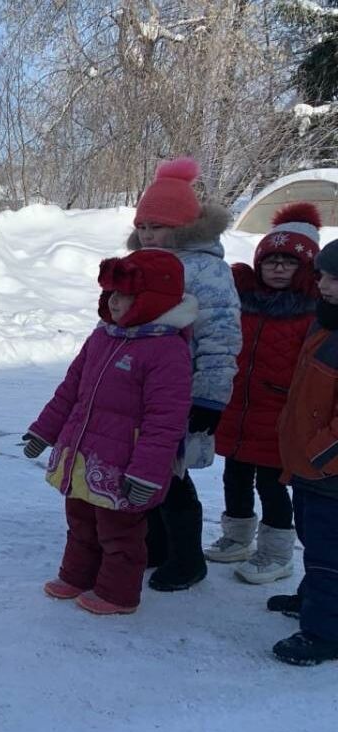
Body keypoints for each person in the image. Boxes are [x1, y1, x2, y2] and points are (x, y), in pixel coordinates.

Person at [25, 250, 195, 614]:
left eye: (123, 295)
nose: (113, 302)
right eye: (110, 294)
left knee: (120, 532)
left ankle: (118, 593)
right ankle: (76, 575)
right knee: (81, 521)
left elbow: (165, 419)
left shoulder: (167, 350)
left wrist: (147, 472)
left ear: (152, 300)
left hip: (125, 463)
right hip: (83, 456)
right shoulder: (103, 336)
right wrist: (44, 431)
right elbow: (70, 389)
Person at [127, 156, 242, 592]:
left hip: (181, 392)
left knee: (173, 476)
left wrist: (210, 399)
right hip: (137, 390)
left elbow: (221, 338)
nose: (148, 233)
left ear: (184, 227)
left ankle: (188, 559)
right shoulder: (138, 263)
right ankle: (155, 546)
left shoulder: (207, 271)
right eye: (143, 225)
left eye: (158, 225)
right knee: (143, 467)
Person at [208, 203, 320, 585]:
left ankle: (275, 553)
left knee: (272, 486)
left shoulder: (312, 313)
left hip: (279, 417)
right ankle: (236, 539)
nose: (276, 268)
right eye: (270, 260)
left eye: (287, 262)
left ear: (305, 269)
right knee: (234, 477)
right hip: (239, 411)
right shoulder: (244, 302)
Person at [268, 239, 338, 666]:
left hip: (329, 472)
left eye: (333, 280)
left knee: (330, 553)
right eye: (322, 276)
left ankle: (324, 632)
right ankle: (314, 596)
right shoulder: (325, 323)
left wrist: (318, 456)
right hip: (310, 469)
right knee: (312, 540)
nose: (323, 285)